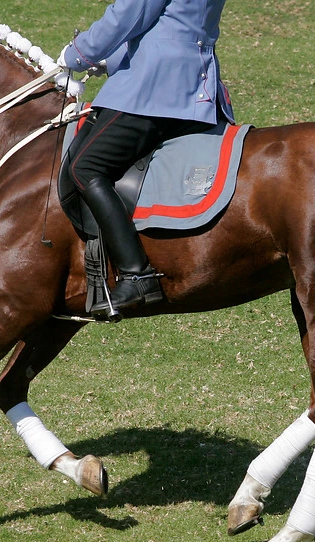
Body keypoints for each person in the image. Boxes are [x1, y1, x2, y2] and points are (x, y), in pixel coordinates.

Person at [57, 0, 235, 319]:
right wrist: (111, 59)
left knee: (85, 166)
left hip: (156, 88)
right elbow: (174, 22)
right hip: (199, 88)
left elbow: (131, 13)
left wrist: (79, 53)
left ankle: (135, 273)